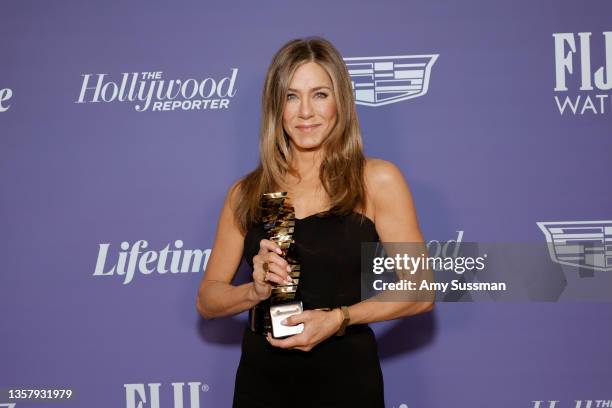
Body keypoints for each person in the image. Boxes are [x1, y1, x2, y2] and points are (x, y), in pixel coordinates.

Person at [196, 36, 434, 408]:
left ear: (341, 101)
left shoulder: (375, 180)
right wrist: (253, 291)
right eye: (292, 96)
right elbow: (208, 299)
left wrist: (338, 318)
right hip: (262, 380)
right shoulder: (247, 192)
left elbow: (420, 290)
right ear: (277, 107)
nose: (305, 111)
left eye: (320, 94)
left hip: (346, 377)